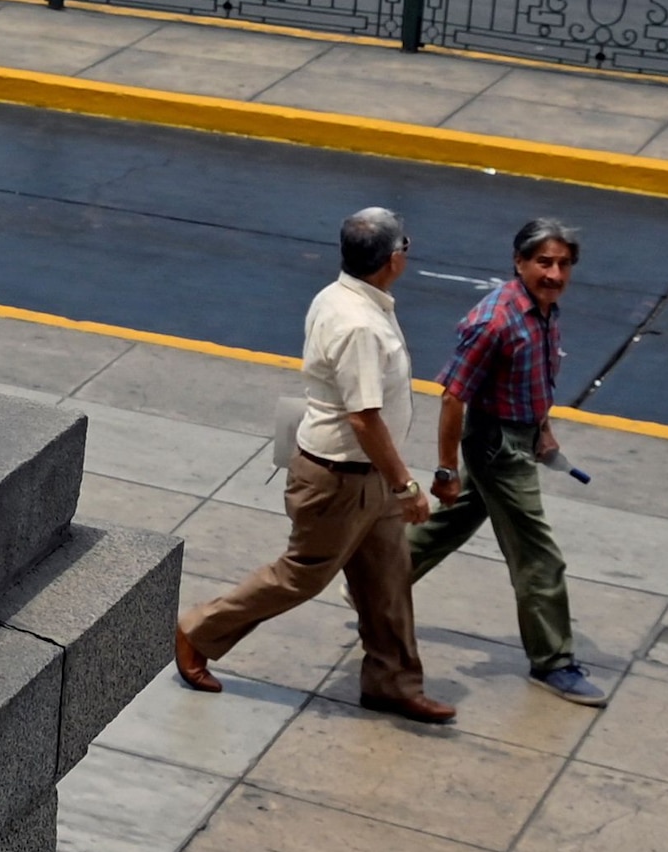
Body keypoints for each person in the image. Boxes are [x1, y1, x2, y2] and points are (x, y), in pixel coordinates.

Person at [176, 205, 455, 721]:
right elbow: (364, 418)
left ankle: (393, 683)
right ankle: (199, 630)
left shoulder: (343, 296)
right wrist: (405, 486)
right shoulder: (360, 325)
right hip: (340, 481)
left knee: (388, 579)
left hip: (366, 474)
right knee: (302, 575)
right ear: (395, 259)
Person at [410, 217, 603, 704]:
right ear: (519, 262)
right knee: (539, 557)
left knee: (454, 521)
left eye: (563, 264)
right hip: (497, 446)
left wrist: (543, 430)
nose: (555, 274)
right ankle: (553, 662)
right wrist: (445, 469)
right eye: (544, 262)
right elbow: (453, 397)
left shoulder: (542, 310)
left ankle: (379, 577)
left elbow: (534, 379)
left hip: (520, 434)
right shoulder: (495, 321)